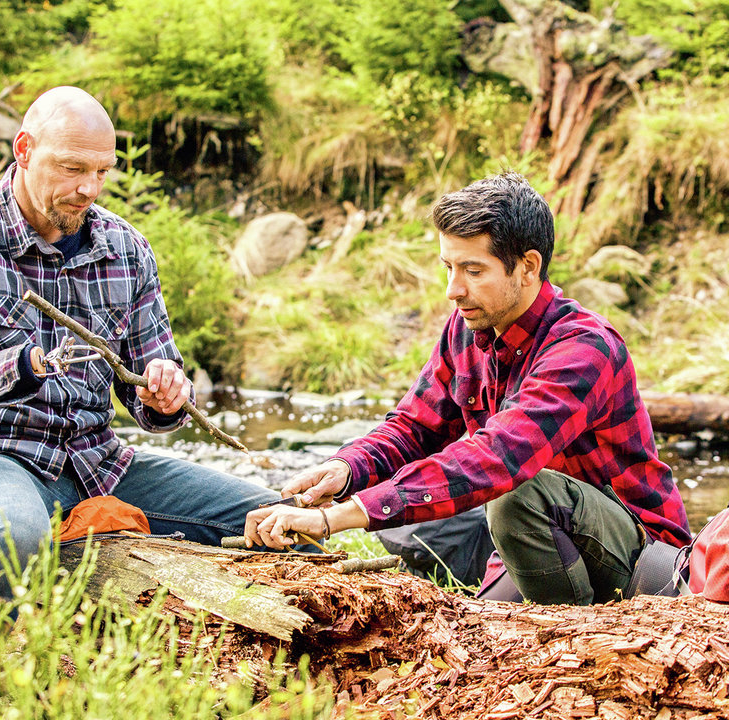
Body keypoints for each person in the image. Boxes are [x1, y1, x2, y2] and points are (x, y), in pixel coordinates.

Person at [0, 86, 279, 700]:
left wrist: (165, 392)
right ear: (23, 150)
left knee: (279, 518)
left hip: (97, 463)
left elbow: (151, 376)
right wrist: (18, 368)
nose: (89, 188)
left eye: (101, 171)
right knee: (16, 535)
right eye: (71, 169)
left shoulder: (125, 248)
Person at [244, 172, 690, 604]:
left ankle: (575, 636)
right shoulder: (468, 326)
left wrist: (337, 517)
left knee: (517, 496)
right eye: (449, 267)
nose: (453, 290)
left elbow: (499, 457)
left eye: (473, 270)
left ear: (528, 267)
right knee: (476, 608)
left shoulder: (584, 348)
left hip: (641, 559)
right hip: (540, 535)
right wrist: (345, 469)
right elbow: (413, 428)